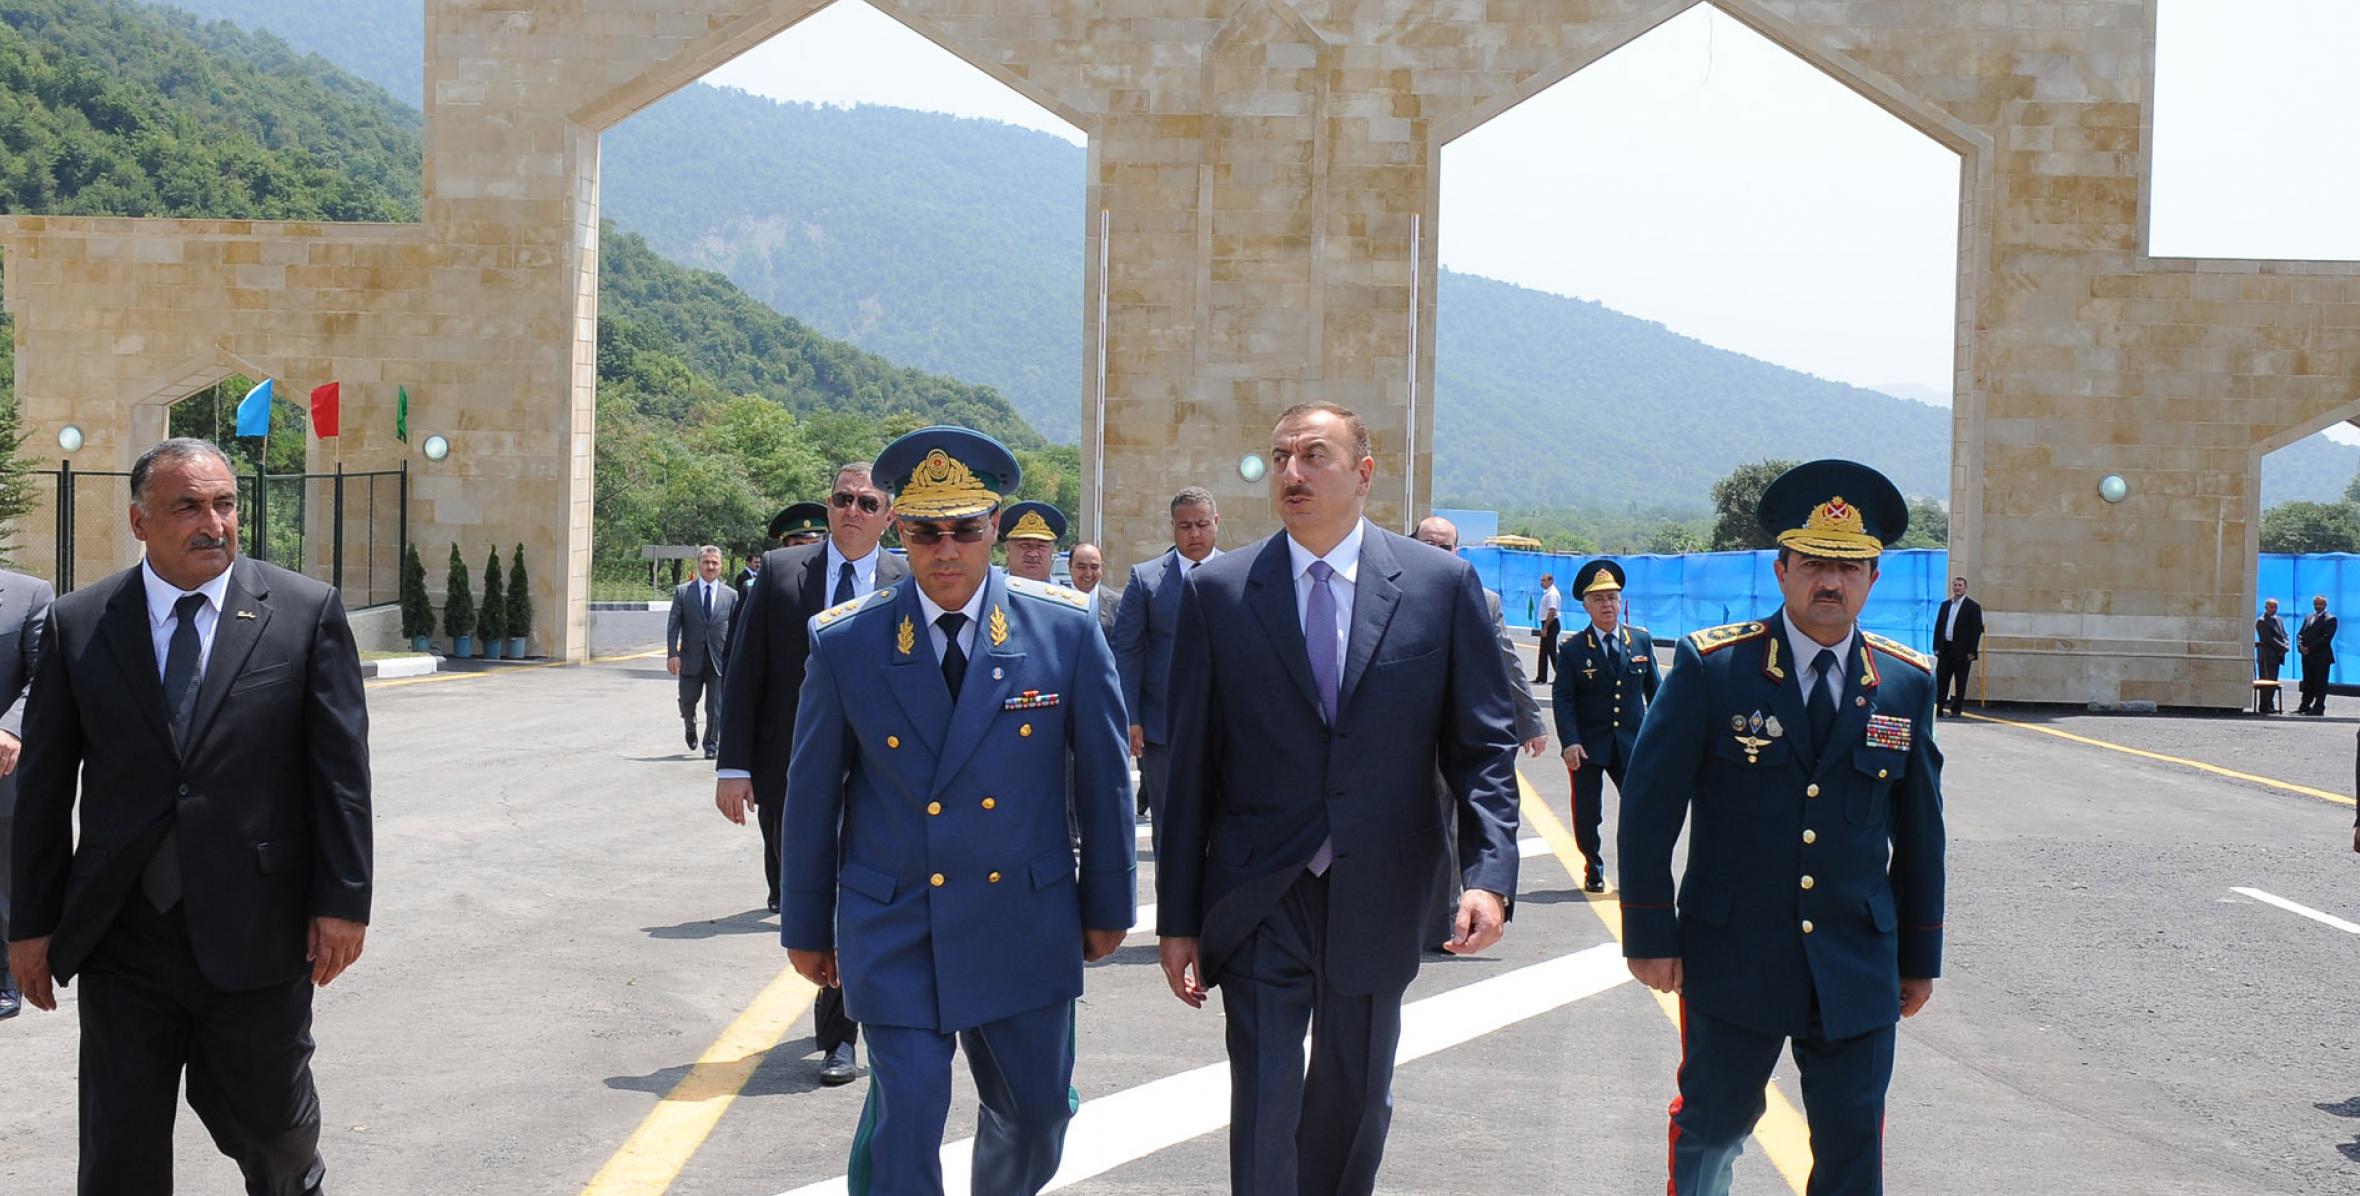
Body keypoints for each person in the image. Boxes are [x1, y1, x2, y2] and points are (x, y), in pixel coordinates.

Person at [1156, 403, 1521, 1196]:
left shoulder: (1438, 586)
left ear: (1363, 473)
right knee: (1265, 1101)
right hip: (1261, 893)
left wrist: (1490, 875)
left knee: (1356, 1103)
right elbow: (1189, 767)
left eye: (1314, 455)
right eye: (1280, 456)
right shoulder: (1220, 592)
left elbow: (1481, 746)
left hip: (1381, 887)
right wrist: (1178, 917)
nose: (1292, 472)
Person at [8, 437, 373, 1193]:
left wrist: (343, 903)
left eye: (225, 504)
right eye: (188, 507)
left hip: (259, 933)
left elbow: (340, 776)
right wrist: (30, 926)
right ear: (140, 522)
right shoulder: (81, 624)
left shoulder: (302, 614)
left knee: (276, 1136)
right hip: (122, 937)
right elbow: (44, 790)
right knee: (119, 1152)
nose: (214, 523)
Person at [780, 426, 1133, 1196]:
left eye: (966, 529)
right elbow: (811, 798)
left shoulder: (1063, 631)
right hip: (896, 914)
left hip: (1022, 918)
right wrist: (808, 925)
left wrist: (1109, 902)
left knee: (1038, 1116)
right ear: (898, 531)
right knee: (906, 1114)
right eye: (926, 531)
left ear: (995, 530)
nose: (947, 550)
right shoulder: (848, 642)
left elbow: (1106, 779)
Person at [1618, 459, 1945, 1196]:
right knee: (1713, 1125)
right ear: (1782, 569)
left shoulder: (1905, 682)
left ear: (1873, 577)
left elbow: (1922, 832)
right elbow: (1648, 809)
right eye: (1814, 564)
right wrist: (1649, 934)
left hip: (1858, 961)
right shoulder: (1714, 668)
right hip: (1733, 954)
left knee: (1854, 1146)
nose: (1830, 582)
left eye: (1849, 567)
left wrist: (1919, 955)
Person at [715, 464, 905, 1085]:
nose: (853, 510)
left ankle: (842, 1034)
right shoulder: (779, 573)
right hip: (794, 766)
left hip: (884, 771)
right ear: (828, 507)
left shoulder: (910, 579)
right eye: (843, 499)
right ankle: (843, 1011)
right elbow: (745, 673)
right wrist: (734, 766)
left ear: (889, 516)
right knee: (812, 890)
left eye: (867, 502)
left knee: (860, 892)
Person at [1414, 515, 1546, 948]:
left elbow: (1506, 663)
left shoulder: (1482, 601)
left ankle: (1447, 919)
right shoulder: (1389, 594)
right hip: (1405, 739)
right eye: (1427, 543)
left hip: (1459, 736)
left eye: (1444, 546)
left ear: (1457, 553)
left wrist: (1530, 722)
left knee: (1454, 829)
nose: (1435, 552)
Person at [1112, 486, 1222, 839]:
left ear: (1216, 523)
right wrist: (1132, 716)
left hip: (1226, 724)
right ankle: (1171, 895)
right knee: (1170, 827)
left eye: (1202, 524)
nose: (1194, 534)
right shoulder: (1146, 579)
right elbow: (1127, 650)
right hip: (1163, 728)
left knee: (1223, 824)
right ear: (1172, 528)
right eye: (1185, 526)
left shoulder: (1241, 573)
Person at [1552, 558, 1659, 892]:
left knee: (1638, 810)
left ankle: (1632, 869)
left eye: (1612, 597)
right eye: (1599, 599)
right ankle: (1593, 865)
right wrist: (1569, 742)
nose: (1607, 604)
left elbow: (1656, 694)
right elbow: (1563, 700)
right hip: (1587, 745)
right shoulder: (1571, 650)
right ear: (1586, 605)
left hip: (1632, 743)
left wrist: (1661, 740)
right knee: (1587, 813)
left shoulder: (1640, 641)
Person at [0, 567, 52, 1020]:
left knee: (4, 881)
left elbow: (43, 676)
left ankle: (4, 978)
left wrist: (11, 727)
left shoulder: (28, 595)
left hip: (3, 767)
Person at [667, 546, 737, 758]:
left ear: (721, 565)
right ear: (699, 565)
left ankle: (711, 745)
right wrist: (672, 654)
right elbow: (673, 625)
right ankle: (690, 726)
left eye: (715, 562)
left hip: (719, 659)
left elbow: (737, 628)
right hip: (691, 658)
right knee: (688, 700)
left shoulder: (731, 596)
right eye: (706, 562)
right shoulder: (683, 592)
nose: (710, 566)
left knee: (715, 708)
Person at [1932, 576, 1983, 718]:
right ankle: (1939, 708)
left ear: (1965, 588)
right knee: (1941, 680)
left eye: (1960, 585)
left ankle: (1956, 709)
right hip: (1945, 648)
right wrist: (1936, 646)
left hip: (1962, 650)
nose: (1957, 588)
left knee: (1960, 681)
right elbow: (1939, 627)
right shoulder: (1945, 605)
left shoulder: (1972, 607)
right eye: (1955, 585)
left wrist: (1972, 651)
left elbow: (1976, 630)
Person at [999, 499, 1067, 583]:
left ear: (1052, 550)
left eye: (1041, 546)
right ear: (1008, 548)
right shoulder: (992, 593)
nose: (1033, 554)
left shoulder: (1062, 594)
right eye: (1025, 545)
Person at [2298, 595, 2337, 716]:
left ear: (2325, 605)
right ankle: (2305, 705)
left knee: (2320, 682)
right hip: (2307, 657)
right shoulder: (2309, 617)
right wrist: (2300, 647)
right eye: (2316, 604)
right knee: (2307, 681)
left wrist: (2310, 648)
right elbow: (2300, 634)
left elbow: (2326, 638)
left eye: (2320, 604)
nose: (2317, 606)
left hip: (2321, 657)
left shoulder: (2330, 619)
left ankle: (2319, 707)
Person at [1070, 542, 1115, 638]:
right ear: (1070, 566)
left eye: (1094, 567)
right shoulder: (1056, 600)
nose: (1088, 573)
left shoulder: (1118, 604)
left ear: (1101, 568)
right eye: (1082, 567)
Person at [2256, 597, 2290, 715]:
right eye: (2271, 607)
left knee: (2273, 680)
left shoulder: (2279, 620)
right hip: (2267, 656)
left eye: (2275, 607)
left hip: (2277, 655)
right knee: (2266, 681)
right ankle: (2264, 705)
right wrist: (2282, 647)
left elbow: (2284, 635)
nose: (2273, 609)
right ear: (2265, 607)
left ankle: (2270, 704)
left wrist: (2286, 645)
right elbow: (2268, 639)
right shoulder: (2262, 621)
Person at [1535, 571, 1563, 685]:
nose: (1541, 583)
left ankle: (1561, 677)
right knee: (1543, 651)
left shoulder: (1552, 594)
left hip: (1551, 624)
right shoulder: (1547, 593)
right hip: (1547, 623)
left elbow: (1552, 611)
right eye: (1541, 580)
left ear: (1550, 581)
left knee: (1551, 652)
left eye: (1544, 580)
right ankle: (1541, 677)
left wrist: (1545, 627)